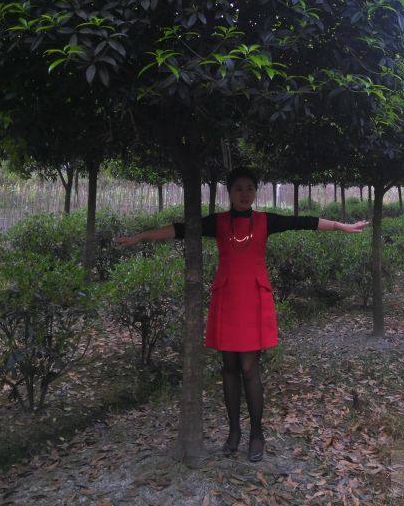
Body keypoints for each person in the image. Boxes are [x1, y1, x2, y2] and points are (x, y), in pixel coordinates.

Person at [114, 166, 369, 462]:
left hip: (253, 300)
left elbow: (304, 221)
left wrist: (340, 226)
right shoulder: (217, 222)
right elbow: (179, 229)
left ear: (255, 192)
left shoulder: (266, 220)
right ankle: (234, 431)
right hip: (227, 300)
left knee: (250, 369)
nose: (244, 193)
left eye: (249, 188)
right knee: (229, 368)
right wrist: (140, 237)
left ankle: (256, 434)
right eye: (238, 188)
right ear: (229, 192)